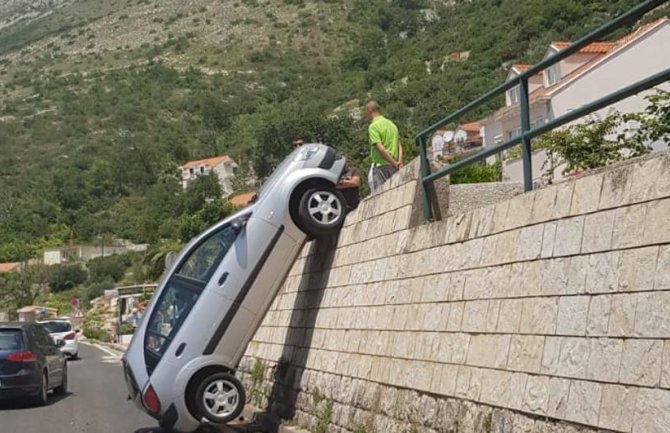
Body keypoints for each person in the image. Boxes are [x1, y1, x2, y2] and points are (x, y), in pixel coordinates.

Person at [366, 100, 403, 191]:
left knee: (381, 195)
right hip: (394, 166)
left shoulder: (373, 126)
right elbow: (399, 146)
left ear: (370, 110)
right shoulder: (392, 124)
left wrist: (394, 163)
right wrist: (399, 163)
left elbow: (381, 149)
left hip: (381, 166)